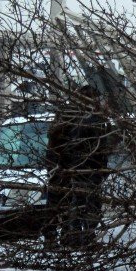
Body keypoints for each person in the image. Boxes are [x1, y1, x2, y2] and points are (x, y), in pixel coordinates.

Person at [45, 85, 113, 246]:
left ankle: (69, 237)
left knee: (74, 204)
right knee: (78, 204)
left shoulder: (76, 114)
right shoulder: (86, 117)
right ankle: (72, 237)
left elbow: (54, 140)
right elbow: (58, 141)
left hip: (74, 167)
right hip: (76, 168)